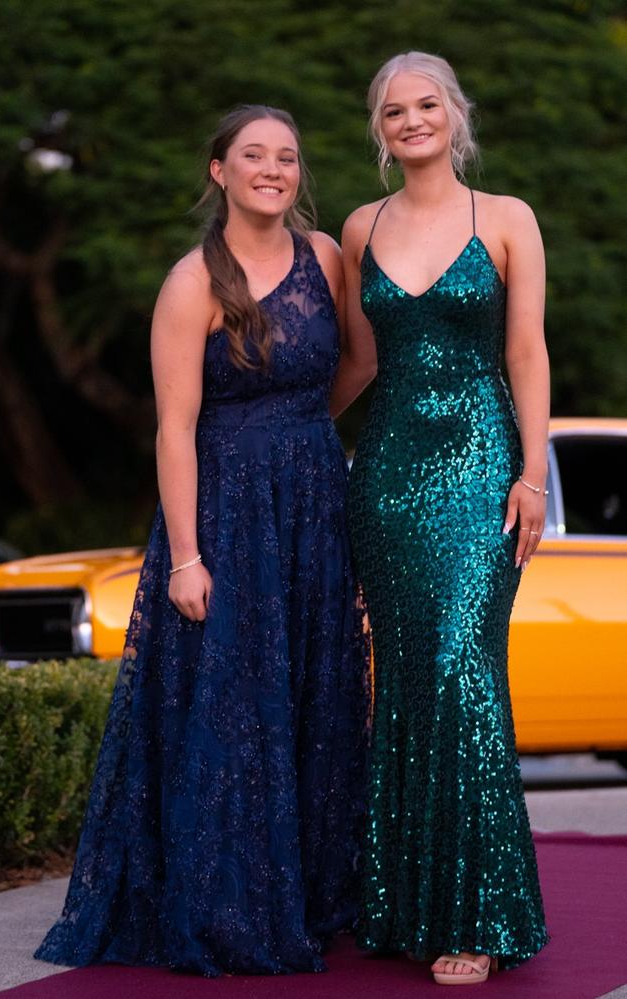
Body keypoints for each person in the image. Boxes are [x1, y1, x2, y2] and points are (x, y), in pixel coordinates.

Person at [35, 105, 369, 977]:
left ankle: (317, 896)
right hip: (223, 513)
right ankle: (229, 909)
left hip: (313, 503)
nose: (274, 169)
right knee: (236, 705)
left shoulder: (327, 256)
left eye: (288, 157)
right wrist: (186, 556)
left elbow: (356, 366)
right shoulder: (192, 281)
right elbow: (174, 429)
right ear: (218, 171)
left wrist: (298, 439)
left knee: (314, 692)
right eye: (253, 155)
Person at [331, 52, 549, 984]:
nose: (410, 120)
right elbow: (355, 362)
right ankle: (395, 903)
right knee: (406, 678)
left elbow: (529, 350)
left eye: (426, 105)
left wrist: (531, 477)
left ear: (453, 115)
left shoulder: (505, 218)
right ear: (378, 129)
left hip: (478, 466)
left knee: (464, 666)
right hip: (383, 474)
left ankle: (479, 911)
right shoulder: (357, 225)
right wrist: (270, 430)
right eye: (393, 111)